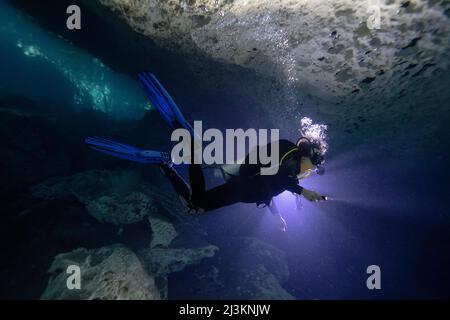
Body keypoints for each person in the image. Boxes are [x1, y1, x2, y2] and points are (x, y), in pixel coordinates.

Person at [85, 72, 327, 231]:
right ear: (307, 153)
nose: (314, 169)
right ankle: (185, 152)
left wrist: (277, 217)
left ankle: (168, 163)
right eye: (315, 163)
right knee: (196, 205)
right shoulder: (287, 152)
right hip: (242, 184)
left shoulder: (292, 172)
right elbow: (274, 177)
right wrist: (304, 191)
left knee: (194, 207)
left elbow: (272, 189)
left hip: (245, 189)